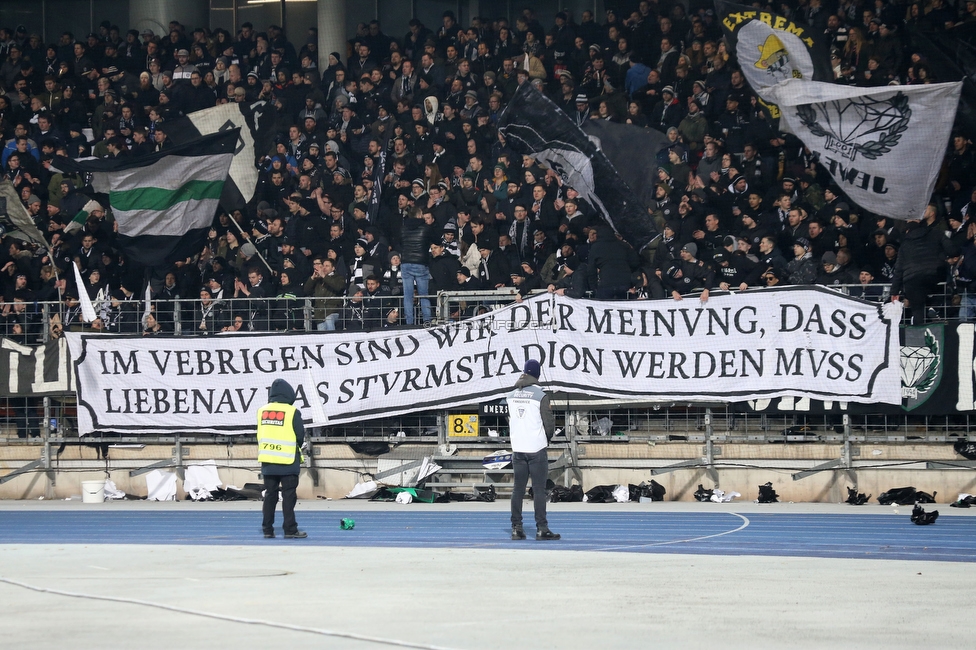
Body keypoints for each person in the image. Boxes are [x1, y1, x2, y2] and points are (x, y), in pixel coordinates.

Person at [505, 359, 559, 541]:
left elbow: (511, 419)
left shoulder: (510, 395)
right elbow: (548, 422)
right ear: (537, 374)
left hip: (518, 448)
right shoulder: (540, 395)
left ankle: (516, 528)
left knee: (517, 490)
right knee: (539, 490)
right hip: (536, 448)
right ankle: (542, 528)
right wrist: (547, 438)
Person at [257, 378, 307, 539]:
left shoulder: (262, 411)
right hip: (287, 461)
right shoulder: (292, 412)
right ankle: (290, 529)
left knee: (270, 495)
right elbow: (300, 435)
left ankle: (267, 529)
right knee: (288, 496)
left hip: (268, 461)